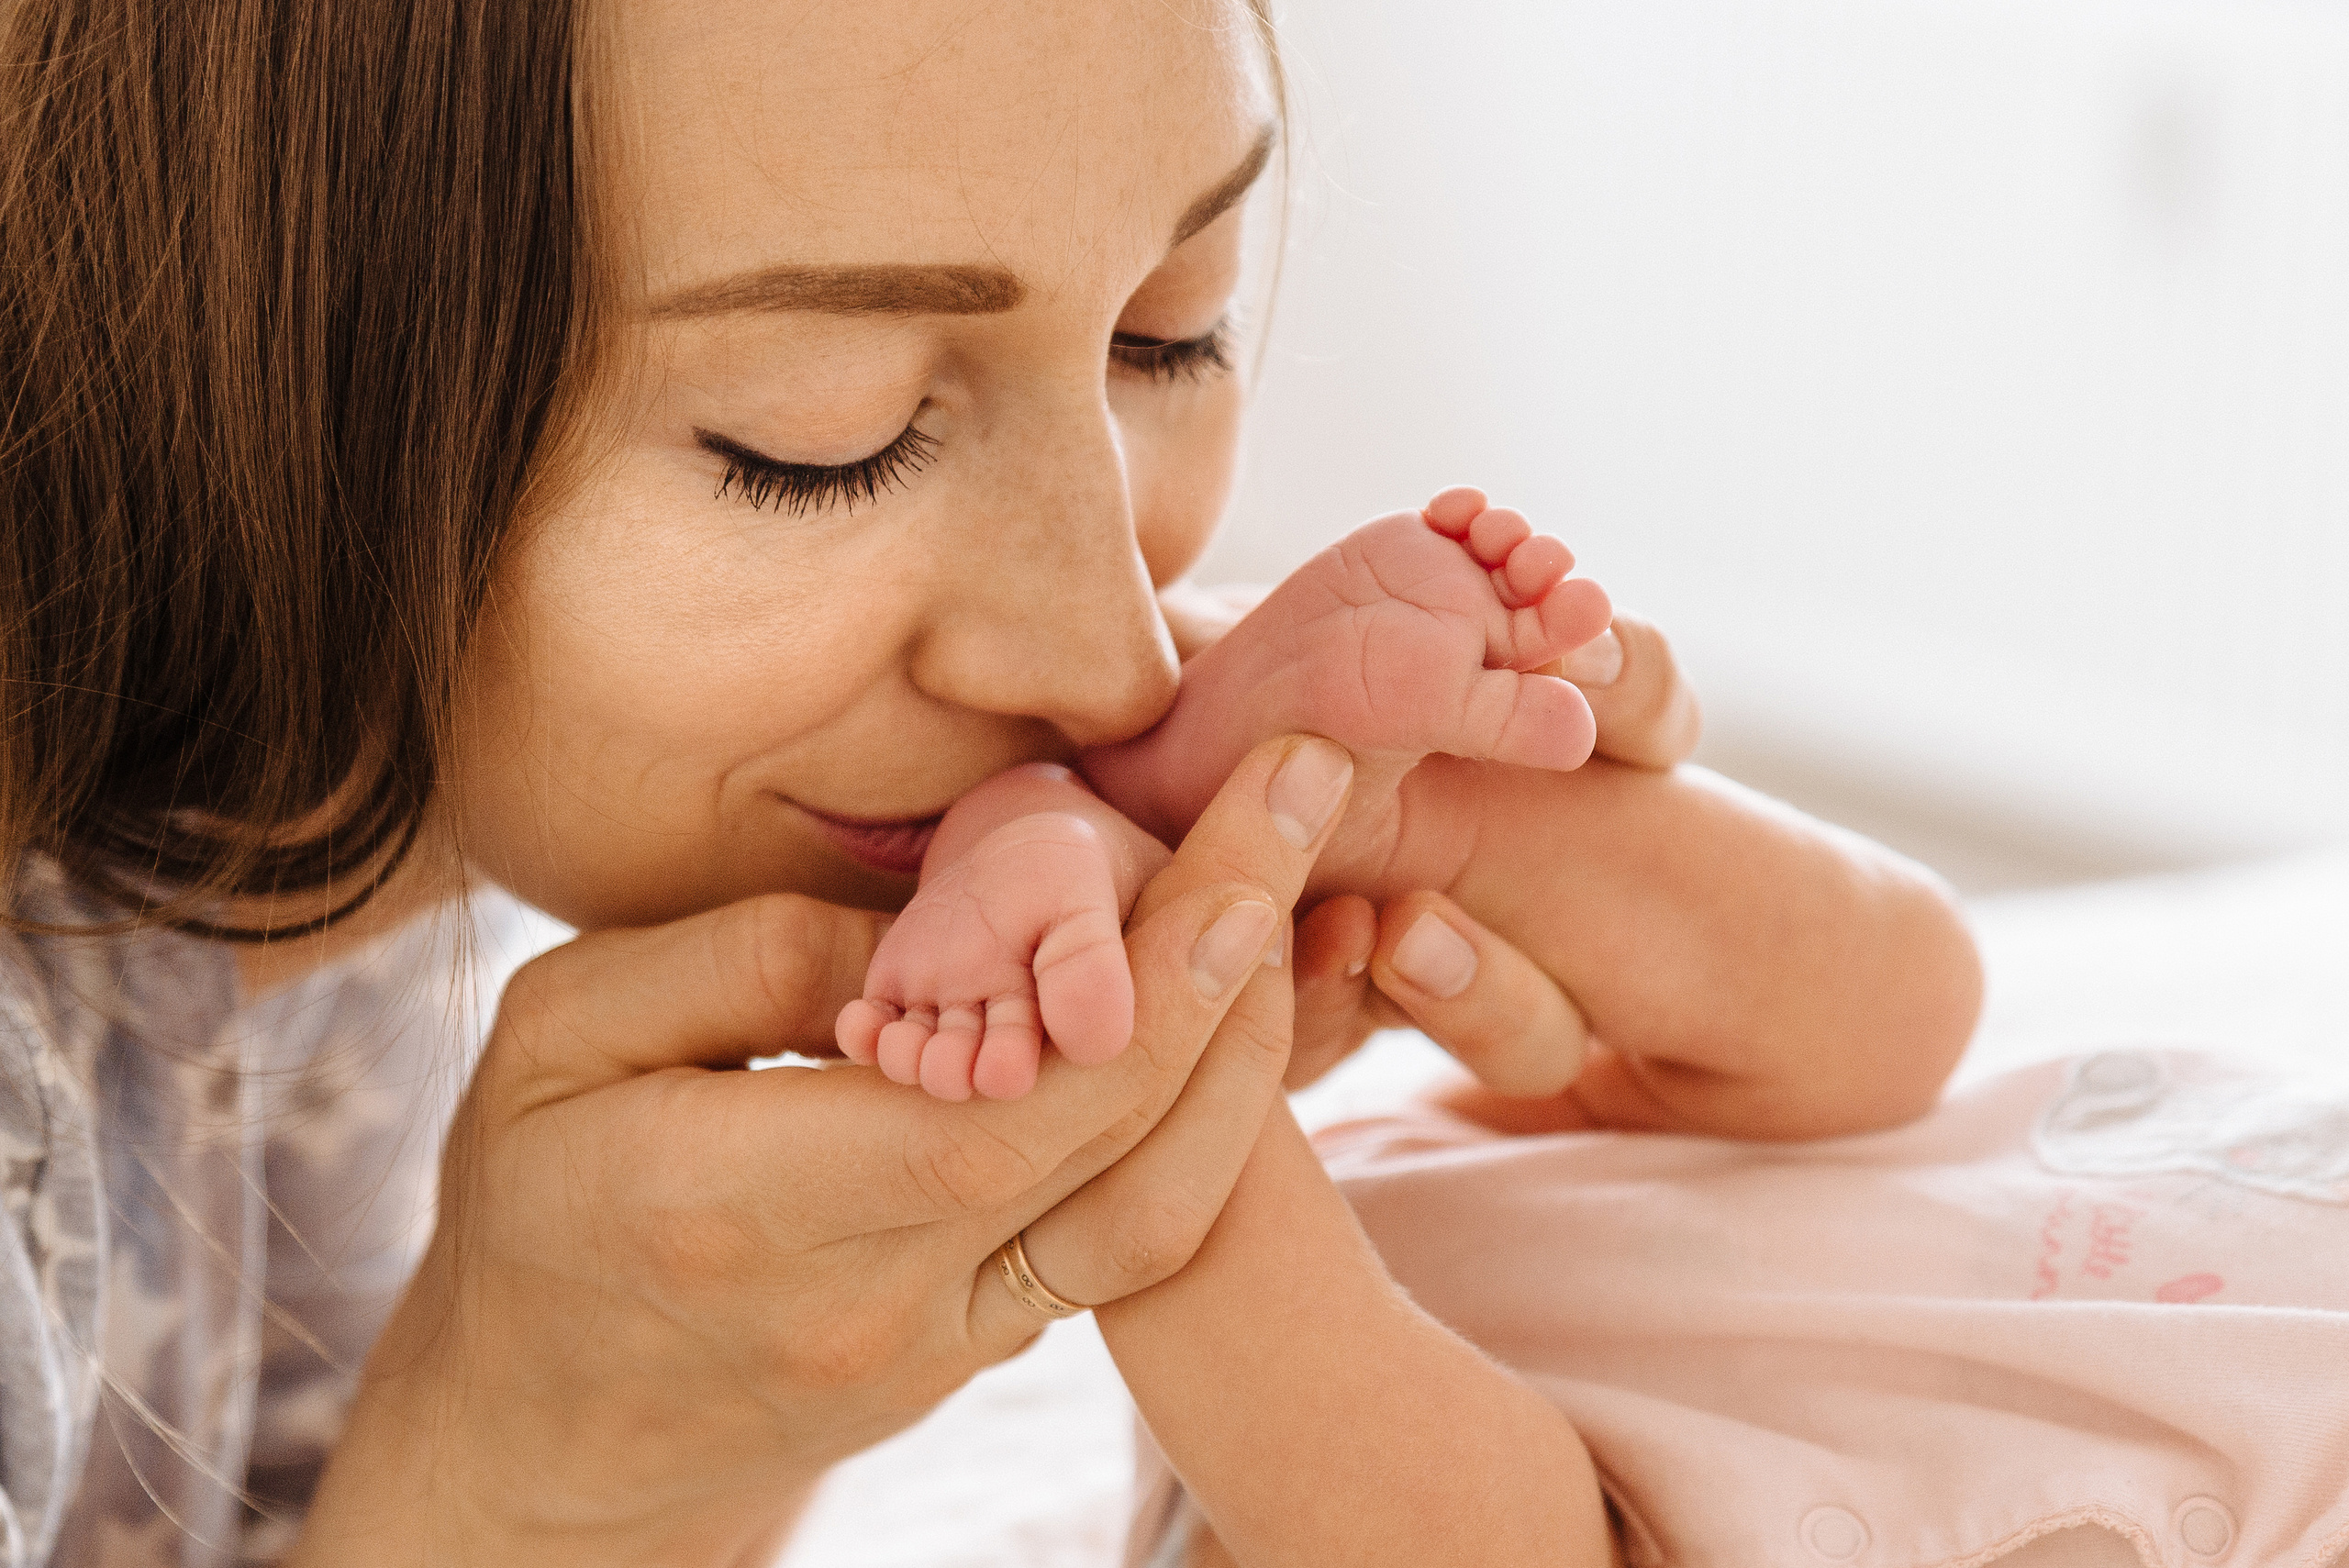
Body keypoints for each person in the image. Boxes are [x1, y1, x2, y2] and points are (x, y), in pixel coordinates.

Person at [0, 1, 1981, 1564]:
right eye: (821, 443)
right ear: (217, 344)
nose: (1108, 650)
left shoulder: (349, 878)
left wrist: (684, 1414)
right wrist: (525, 1491)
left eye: (1166, 327)